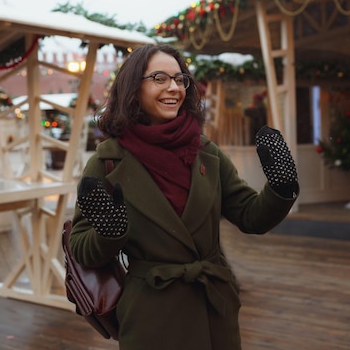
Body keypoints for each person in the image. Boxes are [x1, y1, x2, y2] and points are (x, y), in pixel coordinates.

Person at [69, 44, 299, 350]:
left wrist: (281, 188)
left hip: (213, 310)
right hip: (152, 317)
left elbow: (250, 216)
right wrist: (109, 233)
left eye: (180, 79)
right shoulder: (108, 161)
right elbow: (81, 248)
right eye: (160, 78)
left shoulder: (207, 152)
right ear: (133, 87)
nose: (174, 88)